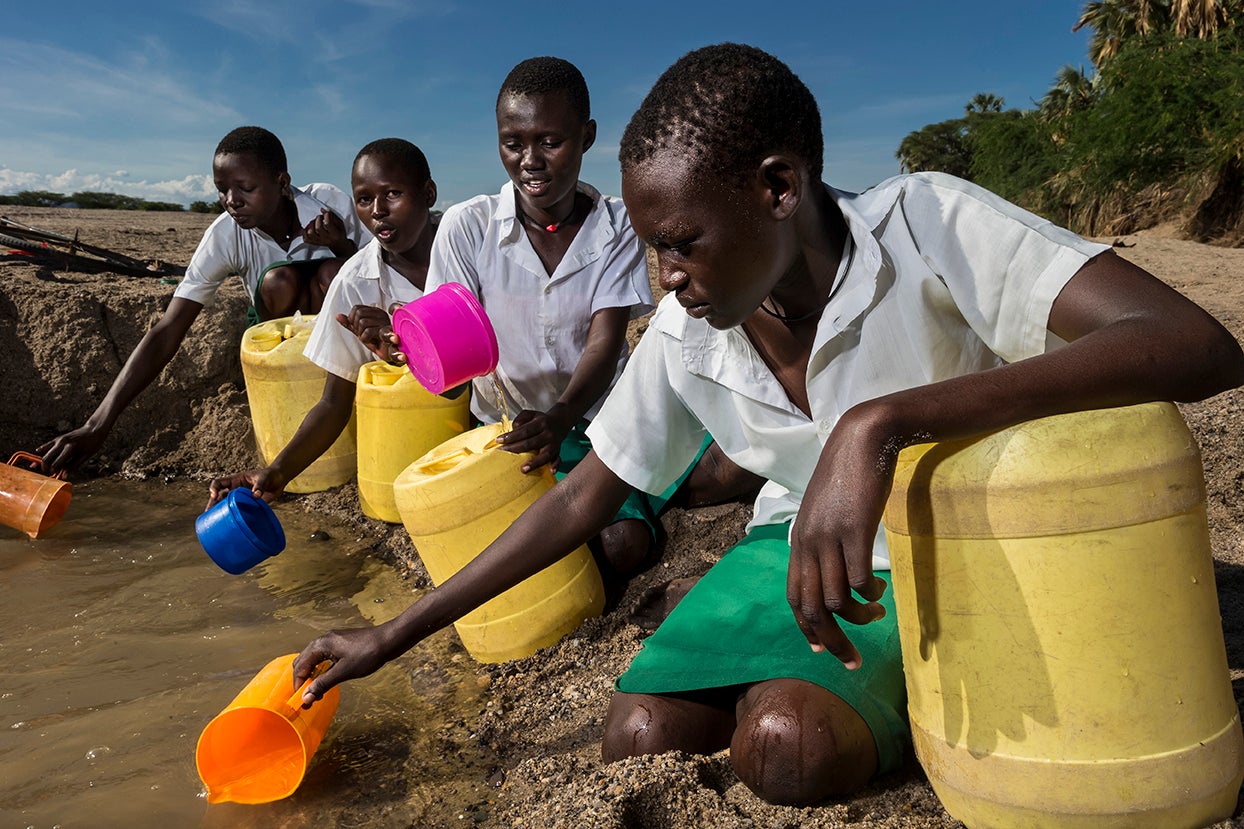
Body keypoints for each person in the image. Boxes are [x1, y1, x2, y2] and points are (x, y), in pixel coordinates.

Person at [290, 43, 1244, 806]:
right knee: (639, 737)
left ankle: (817, 695)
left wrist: (881, 423)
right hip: (788, 547)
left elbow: (1191, 342)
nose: (662, 272)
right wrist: (395, 635)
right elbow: (586, 495)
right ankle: (799, 677)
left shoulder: (927, 225)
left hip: (954, 545)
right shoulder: (686, 329)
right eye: (653, 244)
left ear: (779, 189)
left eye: (682, 242)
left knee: (786, 746)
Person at [383, 56, 758, 575]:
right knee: (619, 542)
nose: (529, 160)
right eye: (513, 143)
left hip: (597, 413)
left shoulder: (616, 224)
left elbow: (605, 343)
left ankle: (628, 482)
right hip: (512, 428)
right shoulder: (467, 227)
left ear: (586, 137)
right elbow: (454, 369)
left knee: (732, 468)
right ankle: (632, 489)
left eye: (550, 142)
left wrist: (562, 417)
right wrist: (419, 356)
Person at [38, 126, 369, 473]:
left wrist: (341, 244)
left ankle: (339, 393)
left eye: (246, 188)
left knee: (335, 272)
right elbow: (169, 327)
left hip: (340, 333)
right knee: (279, 280)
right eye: (222, 190)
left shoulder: (327, 204)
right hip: (279, 342)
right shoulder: (225, 234)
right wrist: (97, 425)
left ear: (283, 183)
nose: (232, 201)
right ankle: (294, 393)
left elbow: (376, 272)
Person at [205, 138, 438, 506]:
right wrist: (278, 471)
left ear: (428, 192)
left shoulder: (466, 246)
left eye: (392, 193)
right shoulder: (355, 283)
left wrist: (402, 328)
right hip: (435, 425)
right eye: (363, 199)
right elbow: (333, 402)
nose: (377, 211)